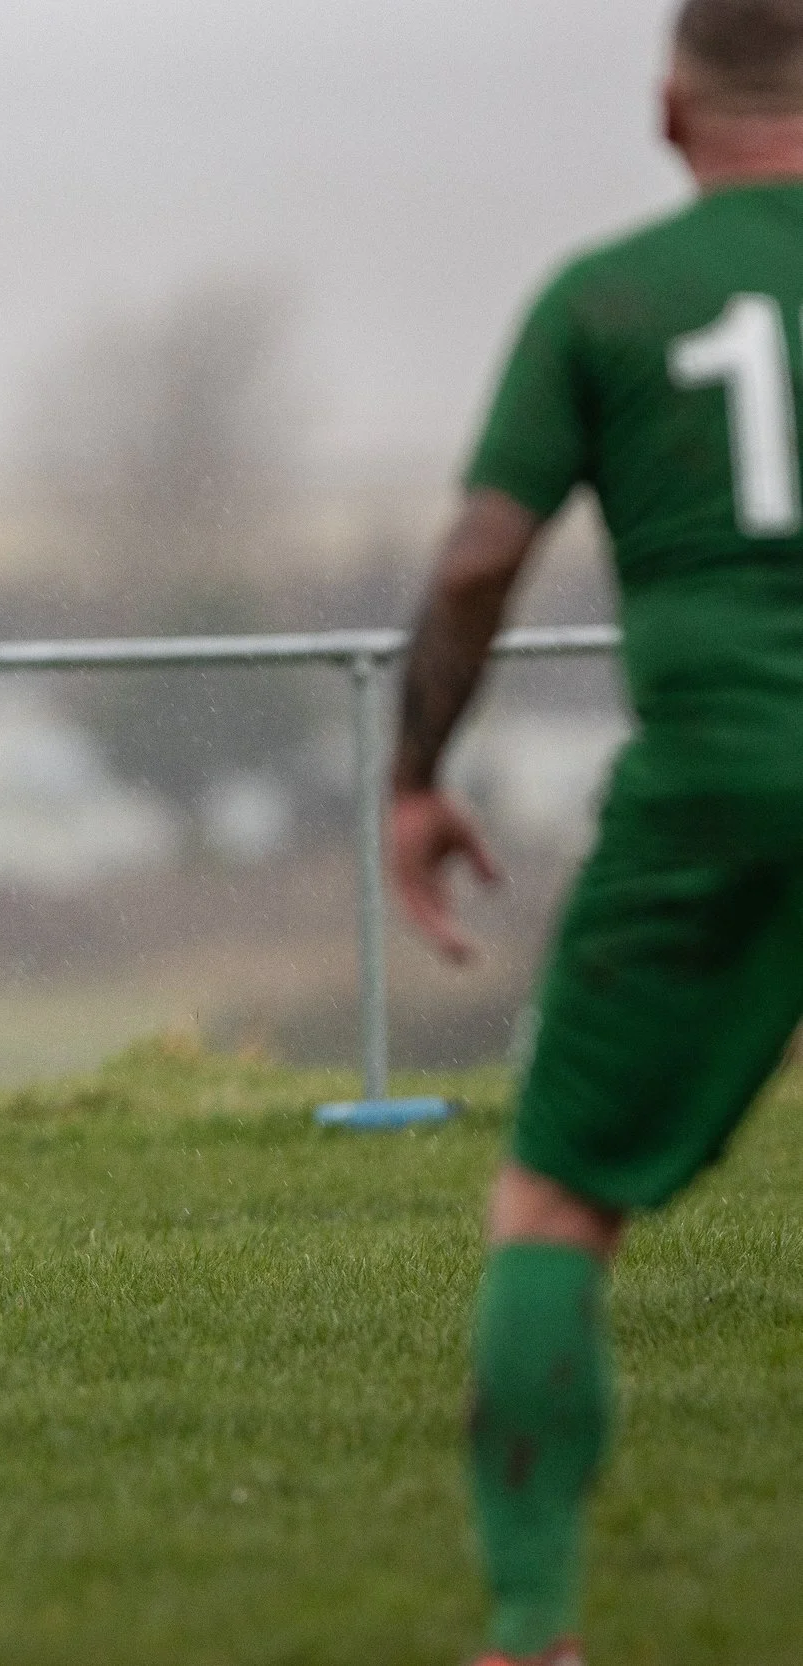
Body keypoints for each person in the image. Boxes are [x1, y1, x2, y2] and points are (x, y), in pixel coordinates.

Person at [392, 5, 803, 1660]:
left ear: (666, 109)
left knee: (557, 1207)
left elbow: (483, 560)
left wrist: (417, 774)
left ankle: (534, 1627)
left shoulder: (608, 297)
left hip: (720, 773)